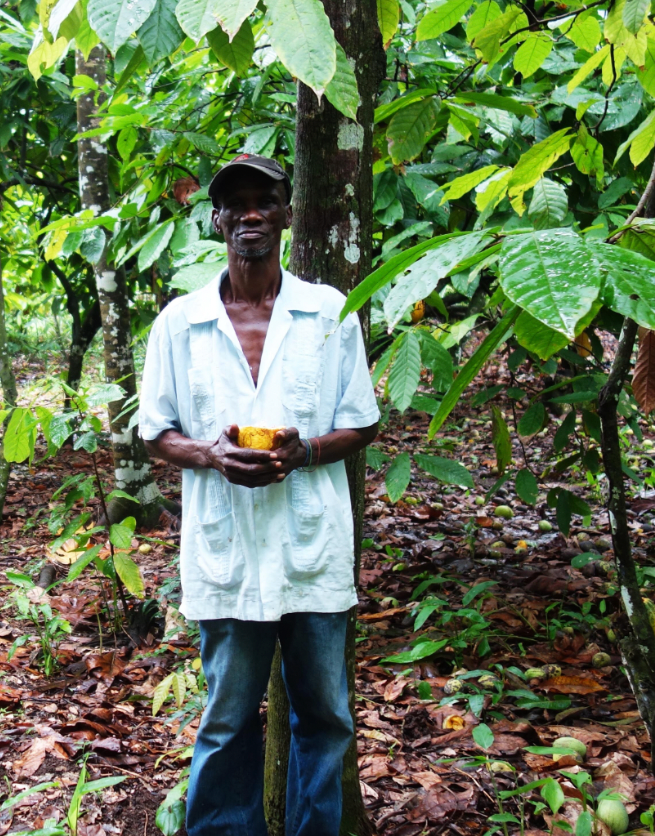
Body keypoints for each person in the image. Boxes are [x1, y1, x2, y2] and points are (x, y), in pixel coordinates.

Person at [138, 154, 380, 836]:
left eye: (263, 202)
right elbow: (155, 430)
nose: (249, 214)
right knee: (226, 719)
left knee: (326, 719)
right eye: (234, 204)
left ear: (284, 215)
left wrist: (303, 452)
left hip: (311, 547)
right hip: (228, 553)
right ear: (215, 220)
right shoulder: (180, 324)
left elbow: (361, 419)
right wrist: (210, 455)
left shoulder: (327, 311)